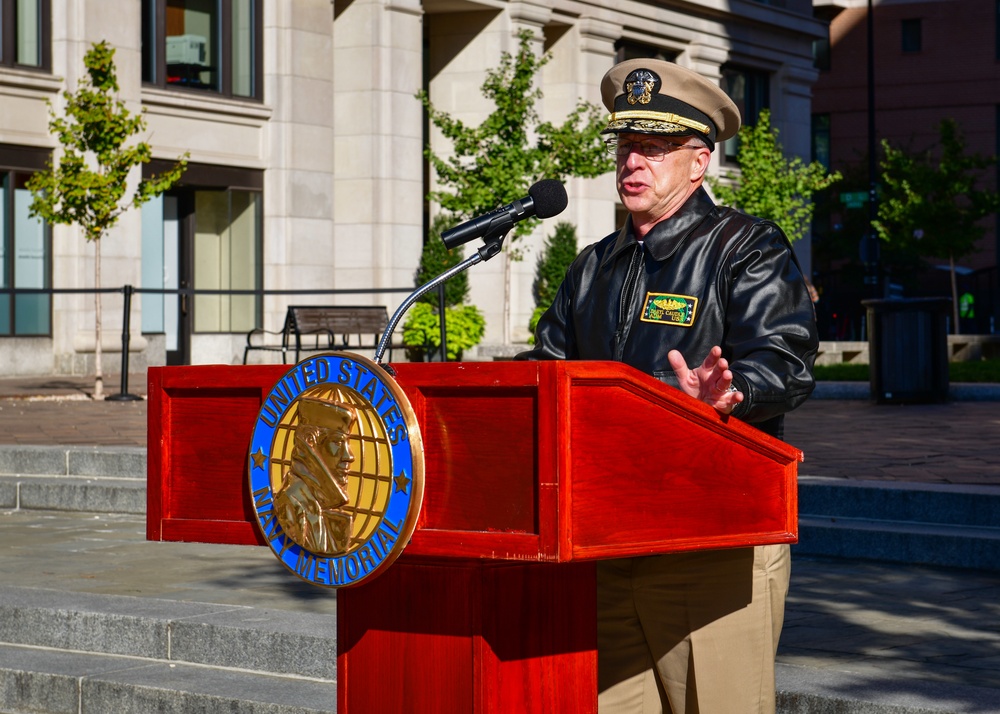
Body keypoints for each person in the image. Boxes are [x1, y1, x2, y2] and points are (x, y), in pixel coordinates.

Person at [517, 58, 818, 713]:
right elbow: (546, 374)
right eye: (627, 147)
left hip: (710, 542)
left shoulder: (746, 248)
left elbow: (785, 363)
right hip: (605, 542)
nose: (633, 162)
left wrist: (728, 397)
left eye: (653, 149)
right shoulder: (592, 267)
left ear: (698, 162)